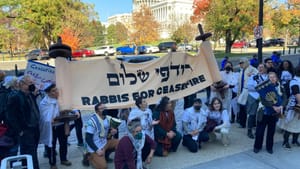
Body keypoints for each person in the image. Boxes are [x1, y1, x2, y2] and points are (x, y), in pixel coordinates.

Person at [5, 75, 40, 169]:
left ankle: (28, 166)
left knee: (31, 151)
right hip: (25, 129)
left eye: (33, 83)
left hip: (34, 128)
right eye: (30, 83)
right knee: (29, 152)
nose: (32, 85)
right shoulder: (16, 97)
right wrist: (19, 130)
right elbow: (11, 116)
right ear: (22, 84)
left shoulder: (30, 95)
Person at [39, 83, 74, 169]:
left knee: (63, 143)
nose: (56, 92)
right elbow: (45, 116)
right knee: (51, 145)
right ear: (48, 93)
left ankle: (64, 159)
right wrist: (55, 115)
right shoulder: (44, 102)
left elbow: (71, 107)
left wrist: (74, 112)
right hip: (51, 127)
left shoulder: (62, 99)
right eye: (53, 91)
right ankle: (52, 163)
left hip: (62, 125)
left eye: (56, 89)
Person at [254, 72, 287, 154]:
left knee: (271, 132)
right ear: (267, 79)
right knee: (259, 132)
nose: (272, 79)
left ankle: (269, 147)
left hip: (274, 113)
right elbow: (263, 100)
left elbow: (285, 98)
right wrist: (273, 107)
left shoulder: (280, 87)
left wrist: (281, 106)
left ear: (276, 78)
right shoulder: (263, 87)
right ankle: (257, 146)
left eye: (274, 77)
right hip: (264, 112)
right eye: (270, 77)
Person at [85, 102, 119, 169]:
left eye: (105, 108)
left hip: (104, 142)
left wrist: (112, 132)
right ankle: (90, 157)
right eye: (102, 109)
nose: (104, 110)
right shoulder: (91, 122)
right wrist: (97, 150)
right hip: (95, 146)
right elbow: (88, 139)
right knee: (103, 167)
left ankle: (105, 156)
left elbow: (107, 135)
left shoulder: (108, 118)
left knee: (120, 143)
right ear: (97, 111)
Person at [246, 64, 268, 139]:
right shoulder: (253, 76)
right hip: (253, 97)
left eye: (262, 67)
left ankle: (258, 130)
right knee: (252, 114)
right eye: (259, 67)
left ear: (265, 69)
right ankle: (249, 130)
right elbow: (249, 87)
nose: (260, 69)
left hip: (263, 98)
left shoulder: (268, 77)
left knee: (260, 114)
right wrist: (260, 88)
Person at [280, 65, 300, 149]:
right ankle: (285, 141)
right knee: (289, 124)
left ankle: (295, 140)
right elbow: (296, 93)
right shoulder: (294, 80)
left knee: (298, 125)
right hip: (294, 106)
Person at [237, 58, 258, 128]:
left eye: (242, 63)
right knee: (242, 107)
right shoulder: (241, 71)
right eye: (239, 63)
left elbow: (257, 75)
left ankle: (253, 124)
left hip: (249, 91)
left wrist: (252, 75)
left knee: (251, 108)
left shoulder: (252, 69)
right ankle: (242, 123)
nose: (240, 64)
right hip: (242, 91)